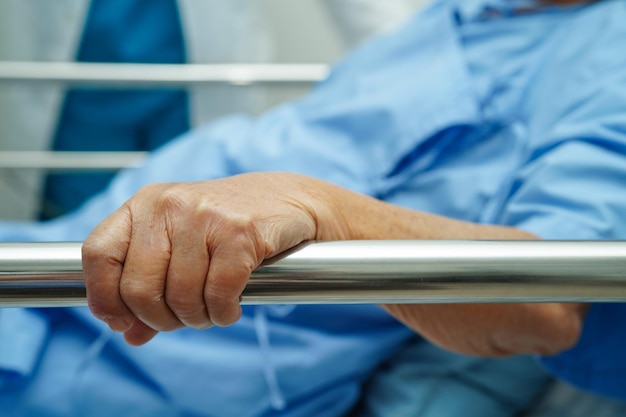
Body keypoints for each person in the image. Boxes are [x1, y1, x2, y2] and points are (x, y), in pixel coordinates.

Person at [1, 0, 626, 415]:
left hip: (113, 354)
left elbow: (547, 301)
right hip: (53, 264)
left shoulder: (608, 55)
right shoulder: (467, 14)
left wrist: (328, 211)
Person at [0, 0, 414, 220]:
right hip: (72, 100)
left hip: (195, 86)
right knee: (78, 249)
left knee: (190, 244)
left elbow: (375, 16)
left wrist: (420, 72)